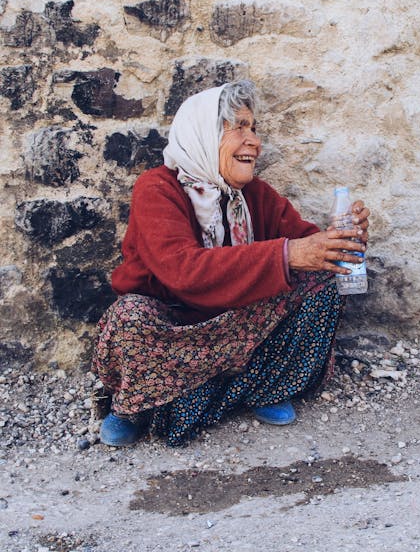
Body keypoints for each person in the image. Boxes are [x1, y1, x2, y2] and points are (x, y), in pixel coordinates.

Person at [94, 80, 370, 447]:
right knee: (130, 316)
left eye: (254, 129)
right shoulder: (157, 188)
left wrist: (342, 239)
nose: (254, 141)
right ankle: (134, 407)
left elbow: (310, 246)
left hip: (238, 328)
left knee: (322, 278)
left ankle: (266, 387)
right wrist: (288, 255)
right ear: (205, 135)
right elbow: (183, 270)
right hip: (176, 333)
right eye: (239, 127)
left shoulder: (254, 195)